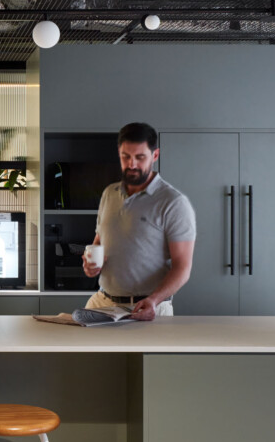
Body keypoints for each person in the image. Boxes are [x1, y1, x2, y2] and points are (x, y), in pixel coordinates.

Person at [81, 122, 195, 321]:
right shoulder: (109, 194)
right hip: (103, 303)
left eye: (140, 157)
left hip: (149, 308)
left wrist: (154, 299)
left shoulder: (173, 202)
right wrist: (90, 262)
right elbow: (99, 239)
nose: (132, 164)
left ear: (155, 156)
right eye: (126, 156)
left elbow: (182, 267)